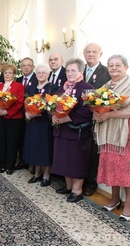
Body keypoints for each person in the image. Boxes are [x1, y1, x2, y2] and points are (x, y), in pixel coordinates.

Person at [94, 54, 130, 221]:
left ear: (126, 67)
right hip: (110, 135)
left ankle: (129, 204)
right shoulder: (106, 86)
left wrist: (108, 115)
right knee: (112, 167)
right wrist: (97, 113)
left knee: (128, 171)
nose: (114, 68)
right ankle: (115, 199)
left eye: (118, 65)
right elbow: (97, 103)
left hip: (128, 136)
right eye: (111, 65)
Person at [51, 58, 94, 203]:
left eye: (73, 70)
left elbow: (89, 111)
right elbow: (52, 104)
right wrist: (53, 116)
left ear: (81, 71)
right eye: (67, 71)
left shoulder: (87, 88)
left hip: (77, 133)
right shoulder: (63, 87)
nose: (69, 73)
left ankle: (77, 190)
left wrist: (68, 118)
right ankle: (69, 186)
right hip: (61, 131)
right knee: (64, 160)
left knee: (76, 161)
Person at [82, 43, 112, 197]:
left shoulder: (106, 73)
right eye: (88, 52)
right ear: (84, 54)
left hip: (96, 119)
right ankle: (78, 180)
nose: (91, 54)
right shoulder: (80, 70)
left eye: (94, 52)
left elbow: (109, 95)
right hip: (78, 119)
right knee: (79, 152)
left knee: (93, 153)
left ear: (101, 54)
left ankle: (90, 184)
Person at [23, 64, 58, 186]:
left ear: (48, 74)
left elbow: (53, 105)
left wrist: (40, 112)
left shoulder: (53, 88)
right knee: (35, 147)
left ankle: (47, 174)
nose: (41, 74)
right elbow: (25, 103)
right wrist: (27, 113)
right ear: (36, 74)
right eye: (39, 72)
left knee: (45, 147)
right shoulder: (31, 87)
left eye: (44, 72)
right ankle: (37, 173)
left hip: (45, 123)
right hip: (33, 123)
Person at [0, 63, 24, 174]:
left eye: (10, 72)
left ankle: (10, 166)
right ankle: (2, 165)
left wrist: (7, 111)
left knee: (12, 143)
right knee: (0, 142)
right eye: (5, 72)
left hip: (14, 119)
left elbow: (19, 102)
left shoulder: (19, 86)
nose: (7, 74)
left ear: (14, 74)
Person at [15, 57, 37, 170]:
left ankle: (33, 163)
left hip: (33, 115)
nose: (26, 67)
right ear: (21, 67)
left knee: (32, 139)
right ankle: (23, 161)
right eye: (24, 65)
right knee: (21, 139)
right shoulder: (17, 80)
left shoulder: (37, 79)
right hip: (18, 114)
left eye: (28, 65)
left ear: (33, 67)